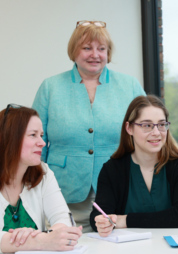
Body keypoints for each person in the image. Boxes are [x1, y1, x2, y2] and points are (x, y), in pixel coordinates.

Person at [32, 20, 145, 233]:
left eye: (101, 49)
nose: (95, 54)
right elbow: (35, 140)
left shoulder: (129, 86)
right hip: (62, 194)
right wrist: (36, 184)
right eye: (87, 48)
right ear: (74, 51)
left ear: (108, 53)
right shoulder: (51, 87)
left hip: (119, 190)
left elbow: (147, 134)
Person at [0, 105, 82, 254]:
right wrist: (41, 240)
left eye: (41, 135)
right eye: (33, 135)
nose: (42, 143)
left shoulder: (44, 173)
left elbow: (65, 221)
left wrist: (43, 237)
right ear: (6, 138)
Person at [89, 95, 178, 236]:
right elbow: (97, 217)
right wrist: (101, 222)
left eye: (161, 124)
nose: (156, 133)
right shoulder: (112, 169)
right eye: (147, 125)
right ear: (129, 128)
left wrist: (125, 220)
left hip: (174, 251)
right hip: (127, 253)